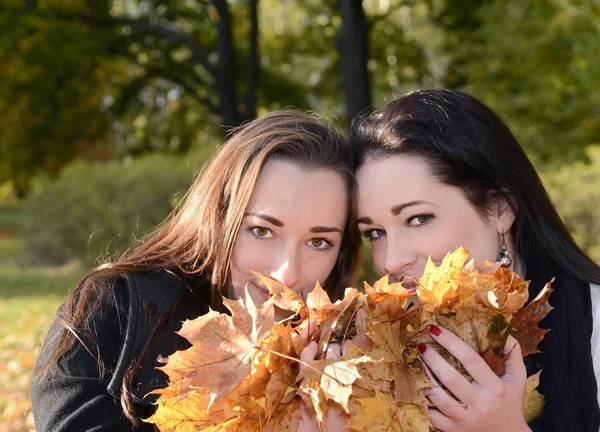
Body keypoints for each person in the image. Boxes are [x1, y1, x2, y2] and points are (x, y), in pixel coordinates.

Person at [30, 110, 362, 431]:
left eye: (319, 242)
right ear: (219, 220)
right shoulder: (114, 310)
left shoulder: (357, 362)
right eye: (262, 231)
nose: (288, 274)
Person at [350, 89, 600, 432]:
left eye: (419, 219)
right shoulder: (375, 354)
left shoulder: (593, 326)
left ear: (501, 209)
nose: (390, 261)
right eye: (374, 233)